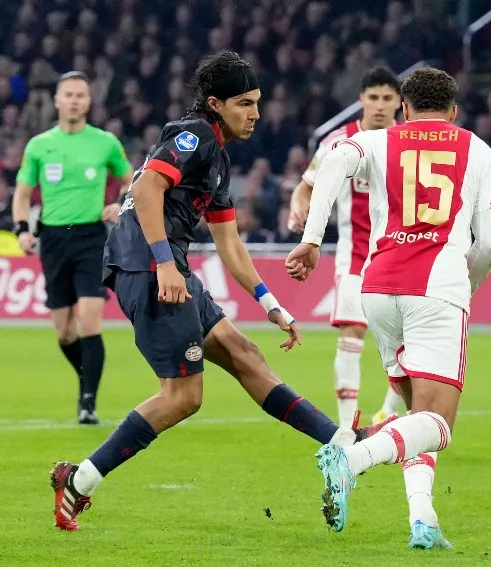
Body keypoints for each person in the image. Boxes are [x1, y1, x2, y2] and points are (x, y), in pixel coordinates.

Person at [49, 51, 387, 533]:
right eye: (245, 103)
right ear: (215, 103)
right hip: (148, 267)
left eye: (257, 103)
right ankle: (79, 481)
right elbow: (146, 191)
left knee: (244, 353)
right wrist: (164, 264)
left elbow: (228, 241)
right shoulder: (195, 134)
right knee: (184, 396)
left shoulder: (218, 157)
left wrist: (270, 304)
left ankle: (342, 442)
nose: (255, 113)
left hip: (166, 267)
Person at [286, 67, 491, 549]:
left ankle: (423, 521)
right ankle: (353, 457)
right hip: (437, 288)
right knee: (439, 425)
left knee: (414, 420)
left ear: (404, 108)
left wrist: (311, 239)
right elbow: (489, 244)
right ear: (454, 111)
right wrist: (465, 284)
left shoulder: (379, 141)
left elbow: (332, 164)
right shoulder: (479, 151)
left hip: (378, 286)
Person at [12, 71, 134, 425]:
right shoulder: (39, 145)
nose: (75, 100)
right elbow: (22, 194)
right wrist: (22, 229)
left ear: (89, 101)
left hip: (91, 238)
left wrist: (121, 203)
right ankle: (86, 375)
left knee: (90, 319)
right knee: (65, 331)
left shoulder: (105, 142)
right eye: (69, 94)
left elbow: (133, 180)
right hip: (52, 239)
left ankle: (88, 402)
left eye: (81, 95)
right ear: (57, 100)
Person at [289, 67, 406, 429]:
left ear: (399, 102)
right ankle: (347, 428)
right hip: (355, 257)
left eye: (388, 98)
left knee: (408, 340)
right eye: (373, 97)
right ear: (361, 100)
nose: (380, 106)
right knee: (352, 333)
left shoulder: (407, 140)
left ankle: (388, 411)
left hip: (402, 254)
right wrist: (299, 206)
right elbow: (306, 185)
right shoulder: (338, 141)